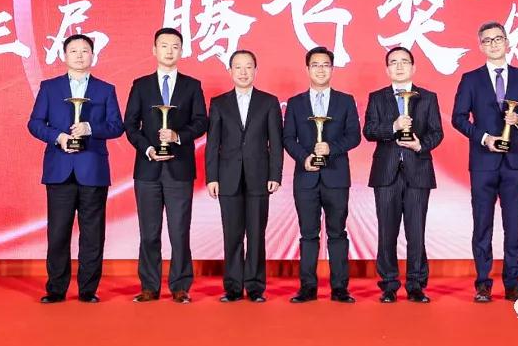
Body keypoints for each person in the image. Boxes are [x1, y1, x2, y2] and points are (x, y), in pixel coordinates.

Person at [27, 33, 124, 304]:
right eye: (74, 51)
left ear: (93, 55)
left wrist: (90, 128)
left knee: (93, 233)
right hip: (59, 168)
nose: (80, 55)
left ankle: (88, 290)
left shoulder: (106, 89)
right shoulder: (49, 87)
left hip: (93, 169)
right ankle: (56, 289)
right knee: (58, 232)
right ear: (64, 55)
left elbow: (117, 126)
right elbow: (35, 123)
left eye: (85, 51)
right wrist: (58, 137)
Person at [451, 22, 518, 303]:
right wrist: (484, 138)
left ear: (507, 42)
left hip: (515, 162)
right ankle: (483, 283)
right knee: (482, 224)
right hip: (483, 162)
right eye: (487, 40)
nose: (493, 44)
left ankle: (513, 283)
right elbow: (458, 118)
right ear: (480, 46)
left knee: (513, 225)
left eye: (498, 39)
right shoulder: (471, 79)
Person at [124, 27, 208, 304]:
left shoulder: (192, 85)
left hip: (179, 169)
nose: (169, 51)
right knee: (149, 232)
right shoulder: (141, 85)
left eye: (175, 46)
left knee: (179, 231)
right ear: (154, 50)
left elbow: (201, 122)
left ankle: (180, 286)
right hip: (147, 170)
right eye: (164, 45)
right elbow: (130, 125)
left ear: (181, 51)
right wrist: (147, 149)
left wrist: (177, 136)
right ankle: (149, 286)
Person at [363, 46, 443, 303]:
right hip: (385, 173)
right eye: (393, 62)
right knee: (386, 232)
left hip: (418, 171)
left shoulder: (427, 97)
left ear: (413, 67)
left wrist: (420, 145)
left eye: (404, 62)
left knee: (416, 232)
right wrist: (393, 126)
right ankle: (388, 284)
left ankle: (416, 284)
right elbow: (369, 131)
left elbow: (437, 132)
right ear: (387, 69)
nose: (399, 66)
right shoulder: (377, 97)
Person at [283, 46, 360, 303]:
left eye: (325, 65)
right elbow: (287, 138)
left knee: (337, 233)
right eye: (315, 65)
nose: (320, 69)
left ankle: (340, 288)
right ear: (307, 69)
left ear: (332, 69)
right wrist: (304, 158)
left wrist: (331, 148)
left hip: (336, 177)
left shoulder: (345, 101)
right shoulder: (295, 103)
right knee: (308, 234)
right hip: (306, 178)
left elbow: (354, 136)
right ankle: (307, 287)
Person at [205, 50, 283, 303]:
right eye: (238, 67)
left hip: (259, 176)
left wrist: (275, 174)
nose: (243, 72)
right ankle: (233, 287)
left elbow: (276, 142)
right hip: (227, 177)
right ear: (230, 71)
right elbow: (212, 143)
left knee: (257, 234)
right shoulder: (219, 103)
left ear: (255, 71)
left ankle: (256, 287)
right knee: (232, 234)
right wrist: (212, 177)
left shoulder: (268, 102)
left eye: (248, 67)